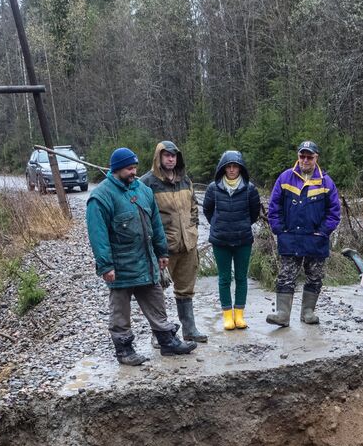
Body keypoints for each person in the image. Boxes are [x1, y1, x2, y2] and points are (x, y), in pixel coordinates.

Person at [86, 147, 197, 365]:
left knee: (157, 302)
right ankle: (124, 350)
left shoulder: (143, 191)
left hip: (147, 262)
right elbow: (97, 235)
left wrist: (161, 251)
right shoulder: (101, 196)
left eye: (135, 167)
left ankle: (167, 342)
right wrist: (106, 266)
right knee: (120, 312)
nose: (134, 172)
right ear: (116, 169)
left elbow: (155, 223)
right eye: (129, 168)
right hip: (121, 266)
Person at [265, 140, 341, 326]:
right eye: (302, 156)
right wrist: (278, 229)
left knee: (315, 276)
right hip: (290, 237)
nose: (305, 160)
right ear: (298, 157)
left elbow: (334, 212)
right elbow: (274, 207)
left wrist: (323, 232)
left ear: (316, 158)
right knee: (286, 275)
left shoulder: (326, 182)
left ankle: (308, 312)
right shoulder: (284, 178)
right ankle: (283, 314)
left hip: (316, 239)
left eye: (310, 156)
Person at [141, 140, 207, 342]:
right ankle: (159, 334)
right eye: (167, 155)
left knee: (186, 289)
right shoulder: (147, 182)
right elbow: (143, 215)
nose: (171, 158)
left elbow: (194, 208)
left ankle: (189, 329)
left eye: (174, 155)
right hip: (162, 247)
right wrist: (152, 242)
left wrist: (192, 230)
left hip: (187, 244)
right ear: (158, 157)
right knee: (156, 291)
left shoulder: (185, 180)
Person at [201, 150, 262, 331]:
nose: (232, 169)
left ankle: (239, 315)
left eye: (235, 166)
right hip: (220, 240)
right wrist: (219, 224)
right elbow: (207, 210)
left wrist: (242, 224)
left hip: (243, 239)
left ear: (241, 168)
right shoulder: (213, 188)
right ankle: (227, 315)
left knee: (242, 277)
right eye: (229, 166)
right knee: (224, 278)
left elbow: (254, 213)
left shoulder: (250, 189)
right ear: (223, 168)